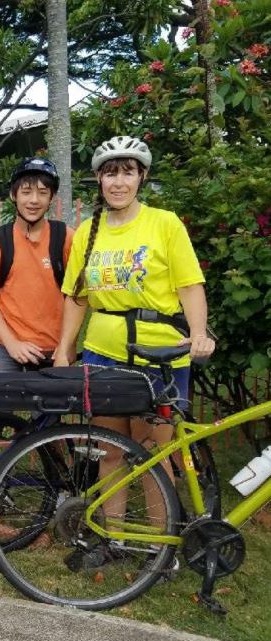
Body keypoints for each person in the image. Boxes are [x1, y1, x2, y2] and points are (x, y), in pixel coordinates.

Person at [53, 135, 216, 568]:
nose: (118, 181)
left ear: (141, 176)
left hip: (157, 355)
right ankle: (114, 538)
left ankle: (163, 550)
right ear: (99, 179)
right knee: (110, 450)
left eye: (127, 171)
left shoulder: (165, 224)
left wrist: (197, 331)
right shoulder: (88, 231)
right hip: (103, 352)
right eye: (110, 172)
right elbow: (76, 297)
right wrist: (62, 349)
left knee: (154, 454)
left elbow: (189, 285)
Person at [0, 158, 74, 519]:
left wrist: (65, 348)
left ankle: (61, 490)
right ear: (14, 195)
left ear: (51, 198)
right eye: (26, 190)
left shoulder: (64, 238)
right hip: (5, 345)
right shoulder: (0, 241)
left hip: (51, 348)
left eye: (43, 192)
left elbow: (77, 295)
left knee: (51, 423)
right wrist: (11, 343)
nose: (34, 199)